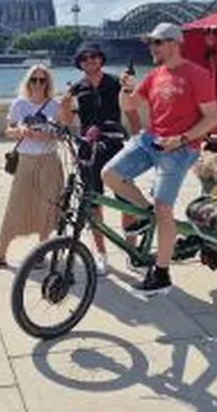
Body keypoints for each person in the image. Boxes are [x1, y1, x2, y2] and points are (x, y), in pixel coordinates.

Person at [102, 22, 217, 295]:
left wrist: (181, 139)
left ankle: (162, 273)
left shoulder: (197, 75)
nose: (151, 48)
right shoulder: (155, 75)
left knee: (163, 209)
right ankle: (145, 214)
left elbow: (212, 119)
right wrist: (125, 88)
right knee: (110, 175)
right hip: (151, 140)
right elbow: (129, 106)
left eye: (156, 42)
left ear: (173, 43)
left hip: (180, 149)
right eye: (150, 43)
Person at [59, 42, 140, 275]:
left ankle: (131, 251)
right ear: (80, 63)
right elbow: (65, 120)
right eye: (85, 58)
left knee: (127, 200)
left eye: (94, 57)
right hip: (88, 150)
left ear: (101, 59)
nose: (90, 61)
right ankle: (101, 254)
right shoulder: (76, 88)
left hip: (115, 147)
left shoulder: (116, 83)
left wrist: (136, 141)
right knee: (94, 203)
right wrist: (64, 104)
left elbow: (132, 113)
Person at [0, 64, 64, 269]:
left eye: (42, 80)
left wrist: (48, 134)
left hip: (49, 161)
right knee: (15, 207)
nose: (37, 84)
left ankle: (41, 252)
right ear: (28, 81)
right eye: (33, 79)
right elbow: (8, 130)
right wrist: (20, 131)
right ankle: (0, 254)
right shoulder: (20, 104)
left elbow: (63, 132)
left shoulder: (55, 105)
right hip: (25, 160)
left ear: (48, 83)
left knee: (47, 207)